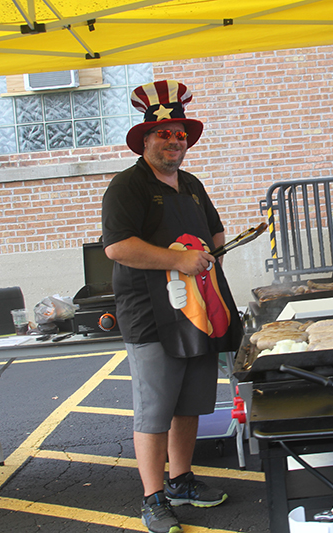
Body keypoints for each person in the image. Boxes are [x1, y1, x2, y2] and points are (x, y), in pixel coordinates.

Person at [102, 80, 243, 533]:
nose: (173, 141)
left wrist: (211, 250)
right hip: (150, 315)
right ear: (146, 140)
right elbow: (119, 248)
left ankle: (181, 480)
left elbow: (216, 234)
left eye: (180, 134)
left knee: (190, 403)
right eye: (163, 134)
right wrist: (180, 258)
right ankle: (152, 498)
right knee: (155, 408)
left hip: (199, 309)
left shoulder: (193, 184)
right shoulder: (126, 186)